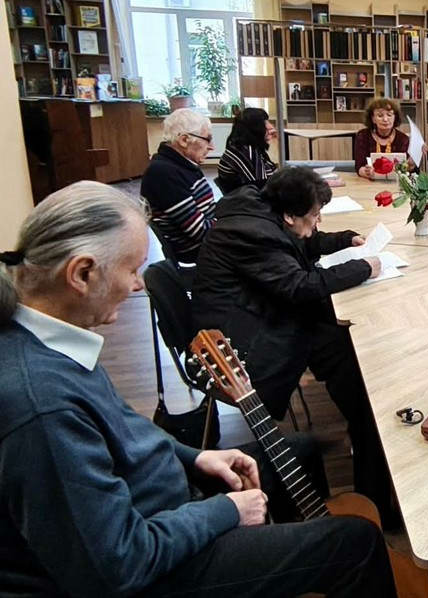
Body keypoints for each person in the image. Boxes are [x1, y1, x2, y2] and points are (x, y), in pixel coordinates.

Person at [0, 181, 396, 597]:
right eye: (131, 270)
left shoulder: (51, 339)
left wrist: (195, 456)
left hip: (162, 507)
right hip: (153, 565)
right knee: (356, 543)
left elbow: (125, 433)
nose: (138, 285)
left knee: (301, 450)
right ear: (82, 274)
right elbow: (116, 565)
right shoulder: (40, 404)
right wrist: (224, 511)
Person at [192, 166, 396, 521]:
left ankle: (369, 460)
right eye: (314, 216)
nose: (317, 223)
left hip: (262, 315)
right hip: (245, 344)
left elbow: (296, 245)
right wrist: (364, 267)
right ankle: (375, 497)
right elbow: (299, 286)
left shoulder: (262, 211)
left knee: (348, 354)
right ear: (289, 214)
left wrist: (343, 240)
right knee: (362, 385)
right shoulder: (255, 234)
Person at [140, 108, 216, 264]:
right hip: (198, 251)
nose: (211, 147)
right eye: (207, 139)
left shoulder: (184, 164)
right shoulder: (163, 173)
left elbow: (209, 210)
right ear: (184, 140)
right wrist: (233, 224)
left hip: (209, 242)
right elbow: (199, 231)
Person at [216, 107, 278, 195]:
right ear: (254, 128)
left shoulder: (242, 147)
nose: (271, 127)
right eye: (265, 123)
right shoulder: (245, 152)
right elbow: (261, 187)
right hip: (249, 201)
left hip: (247, 198)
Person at [354, 98, 410, 178]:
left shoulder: (403, 139)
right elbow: (359, 166)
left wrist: (411, 164)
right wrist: (367, 172)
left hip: (395, 182)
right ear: (373, 119)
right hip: (369, 181)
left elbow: (406, 168)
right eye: (380, 115)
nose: (385, 119)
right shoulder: (363, 136)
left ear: (395, 117)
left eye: (389, 115)